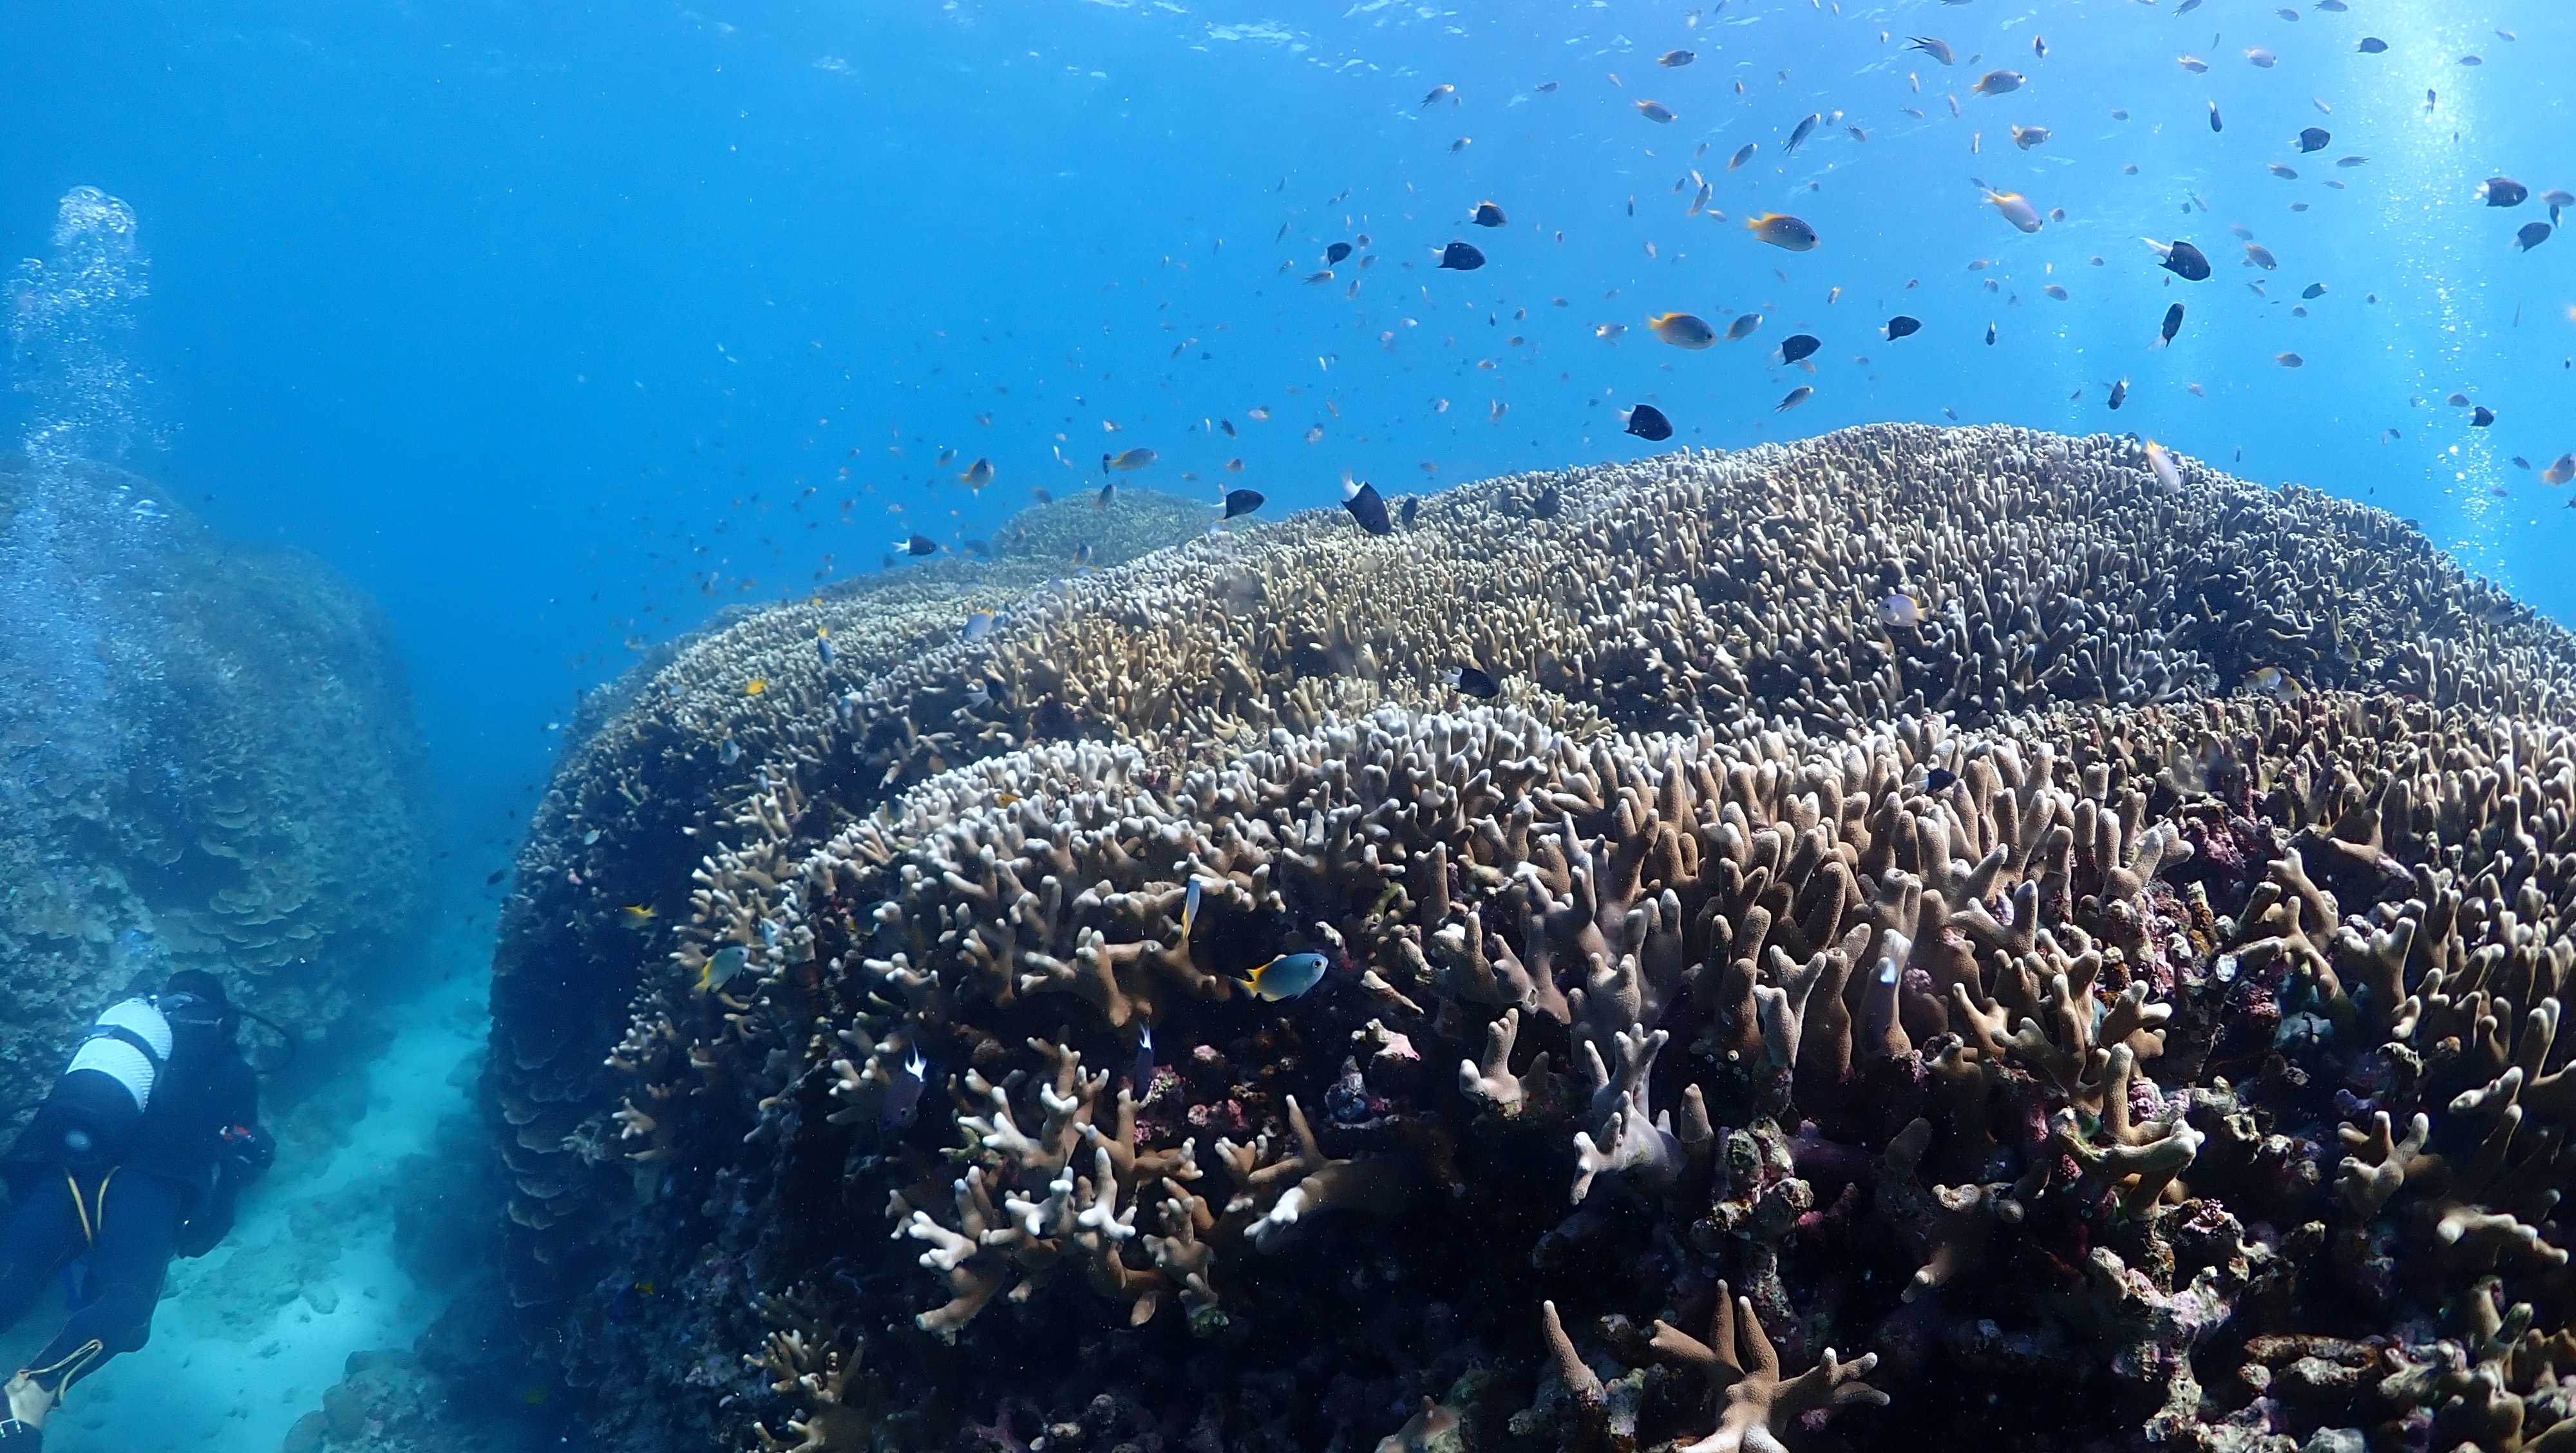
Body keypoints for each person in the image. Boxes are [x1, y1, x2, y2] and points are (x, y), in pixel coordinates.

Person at [0, 971, 274, 1444]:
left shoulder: (122, 1046)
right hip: (149, 1188)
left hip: (69, 1168)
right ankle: (32, 1392)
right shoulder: (234, 1071)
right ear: (224, 1021)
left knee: (13, 1283)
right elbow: (242, 1152)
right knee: (126, 1307)